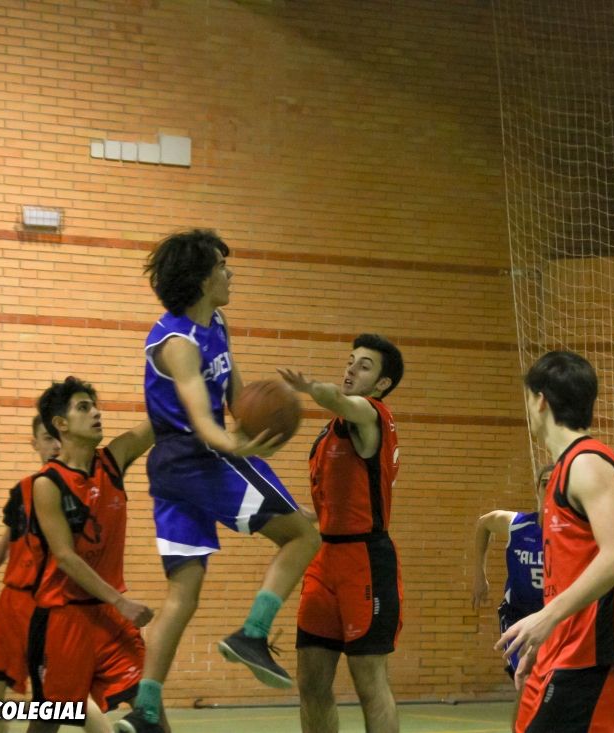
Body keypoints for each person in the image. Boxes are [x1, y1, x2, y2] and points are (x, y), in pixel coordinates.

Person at [116, 229, 320, 733]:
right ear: (203, 279)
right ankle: (252, 633)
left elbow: (236, 397)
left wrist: (255, 426)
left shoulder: (217, 323)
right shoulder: (177, 343)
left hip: (176, 470)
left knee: (182, 595)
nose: (230, 275)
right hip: (196, 457)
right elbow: (202, 419)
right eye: (222, 268)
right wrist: (235, 444)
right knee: (303, 536)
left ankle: (145, 709)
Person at [497, 350, 614, 733]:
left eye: (528, 397)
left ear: (540, 400)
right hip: (560, 651)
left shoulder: (588, 464)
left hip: (591, 657)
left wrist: (546, 618)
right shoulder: (562, 470)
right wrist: (545, 639)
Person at [278, 334, 404, 733]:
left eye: (364, 366)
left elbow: (337, 399)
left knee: (369, 684)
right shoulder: (330, 432)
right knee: (311, 682)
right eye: (351, 360)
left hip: (364, 560)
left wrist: (311, 388)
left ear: (382, 383)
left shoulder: (371, 413)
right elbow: (337, 498)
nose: (351, 369)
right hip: (325, 559)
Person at [25, 377, 165, 733]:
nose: (97, 413)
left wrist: (191, 376)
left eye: (95, 406)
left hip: (109, 619)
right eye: (84, 407)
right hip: (63, 619)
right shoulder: (48, 483)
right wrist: (121, 601)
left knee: (150, 708)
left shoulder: (113, 460)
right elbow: (65, 557)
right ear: (61, 423)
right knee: (47, 723)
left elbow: (159, 419)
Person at [0, 415, 112, 733]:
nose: (55, 445)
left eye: (59, 437)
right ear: (35, 444)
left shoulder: (81, 490)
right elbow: (9, 538)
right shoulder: (24, 490)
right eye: (47, 438)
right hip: (13, 604)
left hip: (52, 604)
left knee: (63, 697)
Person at [471, 465, 551, 725]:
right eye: (544, 483)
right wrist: (479, 575)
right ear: (537, 489)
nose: (549, 489)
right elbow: (483, 523)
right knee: (528, 678)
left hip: (552, 620)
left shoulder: (571, 533)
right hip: (518, 617)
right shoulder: (518, 525)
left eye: (556, 483)